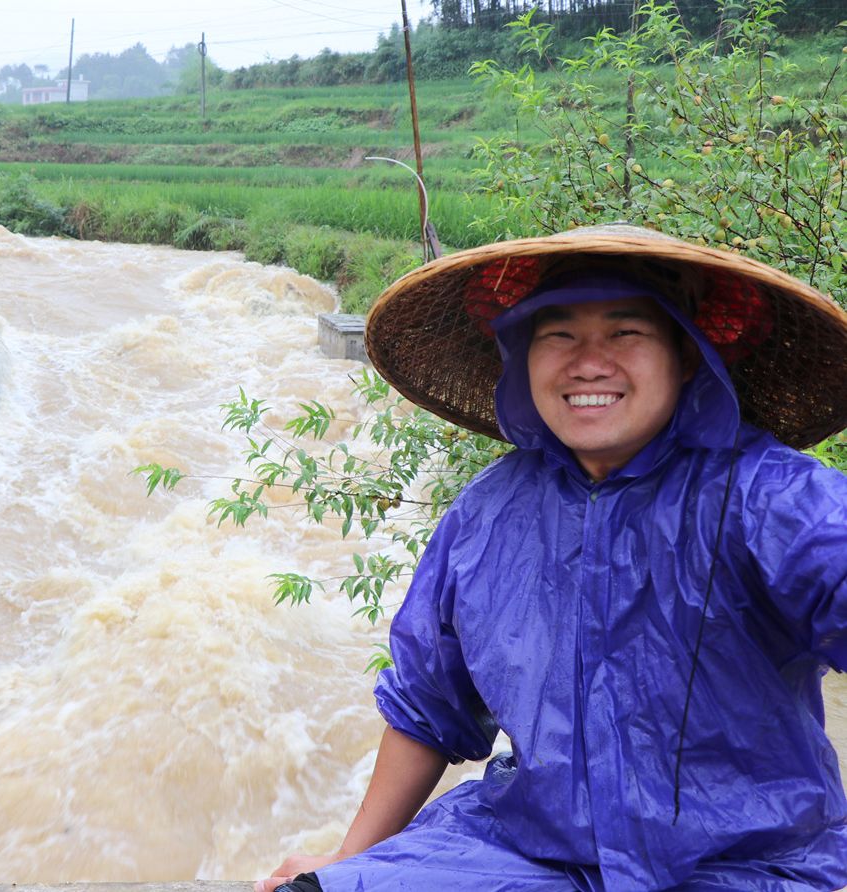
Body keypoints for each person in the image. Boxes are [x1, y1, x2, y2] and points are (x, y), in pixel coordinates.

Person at [257, 224, 847, 891]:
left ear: (685, 356)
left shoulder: (773, 497)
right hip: (527, 854)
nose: (589, 363)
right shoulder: (488, 512)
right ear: (522, 357)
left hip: (743, 865)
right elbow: (429, 704)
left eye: (627, 333)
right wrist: (347, 859)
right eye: (558, 335)